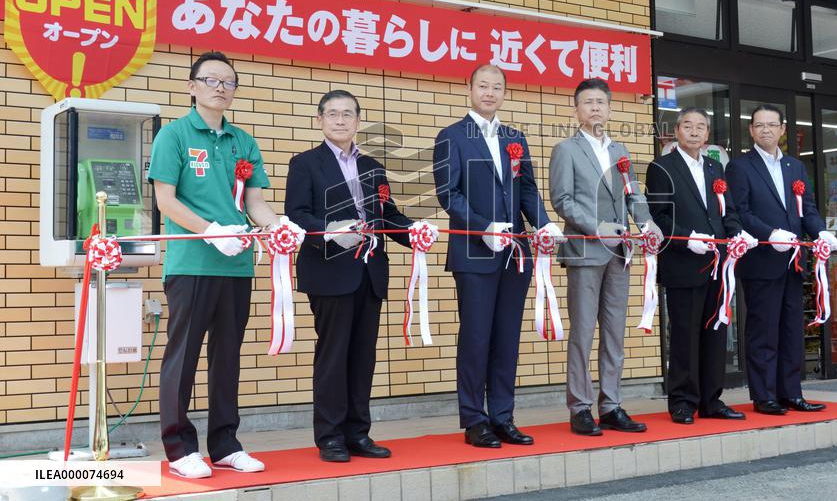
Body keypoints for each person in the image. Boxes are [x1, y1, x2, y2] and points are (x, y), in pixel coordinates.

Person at [149, 51, 293, 478]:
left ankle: (226, 443)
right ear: (192, 86)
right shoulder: (173, 136)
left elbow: (255, 202)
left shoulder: (243, 141)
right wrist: (211, 230)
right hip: (192, 262)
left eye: (228, 82)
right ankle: (178, 448)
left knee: (227, 356)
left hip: (237, 264)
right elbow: (166, 200)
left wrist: (280, 226)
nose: (220, 88)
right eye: (211, 80)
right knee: (184, 355)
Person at [285, 89, 437, 462]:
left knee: (363, 356)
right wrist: (332, 230)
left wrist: (413, 231)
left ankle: (358, 433)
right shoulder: (305, 163)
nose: (340, 120)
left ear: (357, 121)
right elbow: (297, 214)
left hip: (369, 273)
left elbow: (387, 215)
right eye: (333, 114)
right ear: (319, 120)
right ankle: (331, 437)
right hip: (329, 271)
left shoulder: (372, 166)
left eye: (348, 114)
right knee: (333, 355)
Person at [433, 64, 565, 448]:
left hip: (515, 255)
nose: (490, 93)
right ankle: (475, 420)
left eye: (497, 87)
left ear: (505, 92)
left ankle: (503, 416)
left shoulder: (515, 138)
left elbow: (526, 191)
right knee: (476, 337)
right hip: (475, 253)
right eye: (483, 86)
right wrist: (483, 227)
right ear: (469, 88)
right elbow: (448, 194)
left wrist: (541, 225)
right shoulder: (452, 137)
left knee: (507, 338)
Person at [549, 78, 661, 436]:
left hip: (620, 253)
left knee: (614, 334)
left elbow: (633, 196)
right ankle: (580, 407)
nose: (595, 107)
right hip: (585, 251)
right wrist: (596, 226)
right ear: (577, 109)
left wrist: (647, 224)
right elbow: (562, 200)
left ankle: (611, 405)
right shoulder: (565, 149)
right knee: (582, 333)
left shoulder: (620, 150)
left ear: (610, 109)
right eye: (588, 102)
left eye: (601, 102)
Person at [726, 104, 837, 415]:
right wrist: (770, 233)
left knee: (792, 330)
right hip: (762, 260)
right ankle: (764, 397)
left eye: (771, 125)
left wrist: (821, 233)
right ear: (750, 130)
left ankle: (792, 393)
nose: (766, 130)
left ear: (782, 129)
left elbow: (809, 209)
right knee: (763, 331)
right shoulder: (740, 167)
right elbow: (740, 211)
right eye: (759, 125)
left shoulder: (795, 167)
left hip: (794, 262)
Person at [645, 107, 755, 425]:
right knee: (684, 335)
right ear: (677, 131)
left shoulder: (715, 168)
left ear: (708, 135)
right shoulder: (661, 167)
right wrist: (686, 238)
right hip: (683, 263)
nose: (694, 131)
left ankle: (711, 400)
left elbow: (728, 210)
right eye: (688, 126)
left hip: (718, 265)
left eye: (701, 127)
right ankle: (682, 401)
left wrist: (738, 233)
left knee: (715, 333)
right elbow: (659, 216)